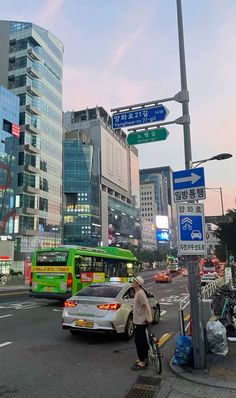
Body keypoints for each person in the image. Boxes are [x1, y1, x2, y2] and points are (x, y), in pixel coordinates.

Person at [131, 275, 152, 370]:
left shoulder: (140, 293)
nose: (132, 282)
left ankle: (142, 362)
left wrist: (150, 317)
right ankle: (144, 358)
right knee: (143, 340)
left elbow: (147, 305)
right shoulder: (137, 292)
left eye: (134, 281)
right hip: (138, 320)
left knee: (138, 341)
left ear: (138, 284)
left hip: (141, 321)